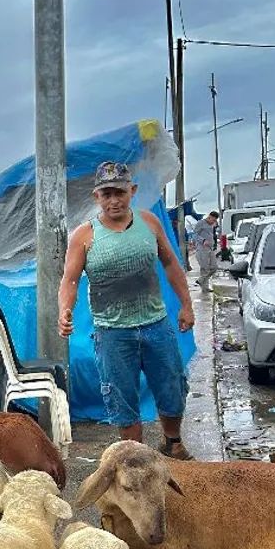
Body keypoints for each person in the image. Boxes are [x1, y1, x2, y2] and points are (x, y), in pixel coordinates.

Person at [58, 160, 196, 459]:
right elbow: (69, 280)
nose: (113, 200)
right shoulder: (84, 236)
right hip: (111, 333)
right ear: (97, 197)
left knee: (171, 383)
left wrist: (186, 304)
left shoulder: (149, 223)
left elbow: (171, 263)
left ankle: (172, 442)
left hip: (156, 325)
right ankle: (137, 456)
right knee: (121, 395)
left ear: (131, 191)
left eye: (119, 192)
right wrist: (65, 311)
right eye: (106, 194)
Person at [190, 211, 220, 288]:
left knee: (214, 267)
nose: (213, 222)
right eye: (213, 220)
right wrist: (203, 240)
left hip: (210, 248)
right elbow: (194, 235)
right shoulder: (200, 223)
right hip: (202, 248)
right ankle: (205, 287)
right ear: (209, 217)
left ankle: (200, 280)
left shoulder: (212, 225)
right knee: (205, 268)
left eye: (215, 220)